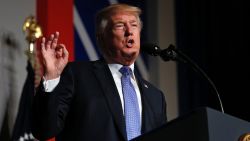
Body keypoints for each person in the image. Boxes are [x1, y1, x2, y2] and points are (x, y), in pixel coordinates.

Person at [32, 3, 167, 141]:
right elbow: (44, 129)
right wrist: (51, 77)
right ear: (102, 37)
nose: (129, 31)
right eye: (120, 25)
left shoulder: (156, 97)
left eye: (134, 25)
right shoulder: (77, 75)